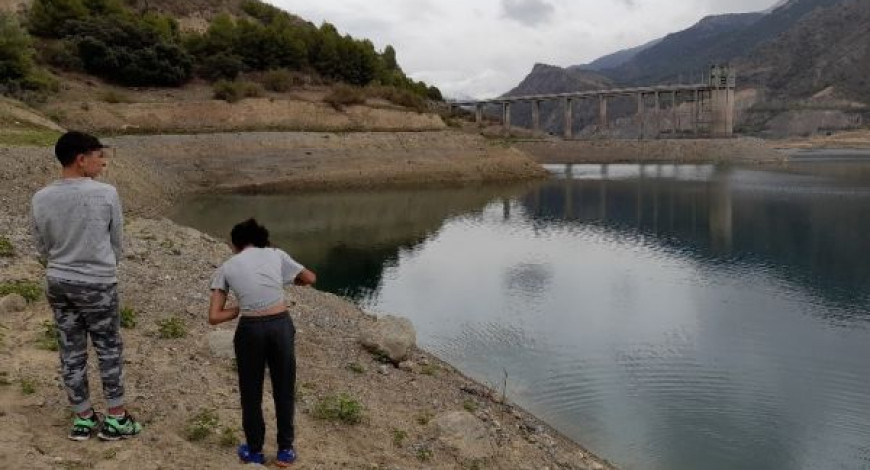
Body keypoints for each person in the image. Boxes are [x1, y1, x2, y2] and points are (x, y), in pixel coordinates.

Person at [31, 131, 142, 441]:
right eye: (98, 156)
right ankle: (116, 418)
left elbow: (41, 245)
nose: (103, 162)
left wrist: (59, 264)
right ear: (81, 160)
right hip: (97, 283)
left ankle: (82, 418)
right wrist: (103, 265)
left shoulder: (40, 197)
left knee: (71, 349)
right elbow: (117, 241)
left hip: (58, 281)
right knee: (108, 348)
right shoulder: (106, 194)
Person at [208, 218, 316, 466]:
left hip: (250, 330)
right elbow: (310, 277)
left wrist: (240, 307)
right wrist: (291, 280)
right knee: (284, 388)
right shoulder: (276, 254)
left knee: (251, 392)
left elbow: (214, 317)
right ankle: (285, 451)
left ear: (235, 244)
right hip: (280, 325)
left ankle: (255, 451)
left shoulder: (227, 266)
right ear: (261, 239)